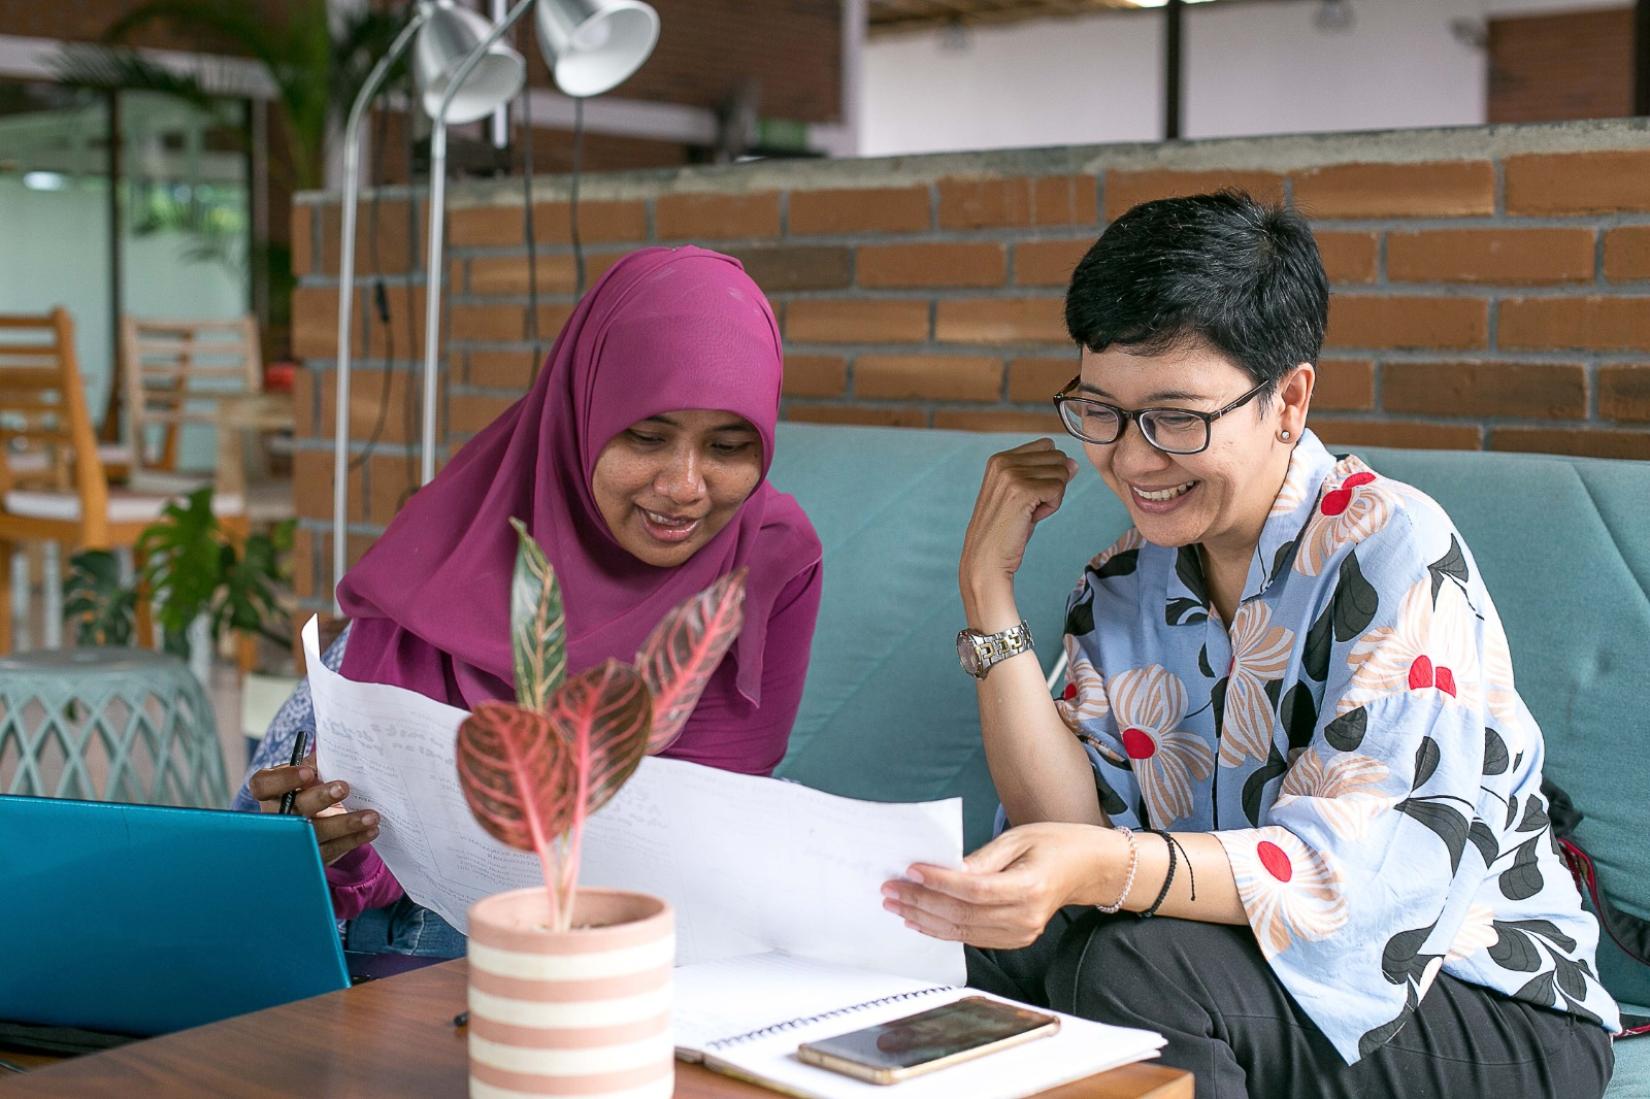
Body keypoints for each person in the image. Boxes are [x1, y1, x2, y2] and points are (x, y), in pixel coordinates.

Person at [880, 192, 1618, 1097]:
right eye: (1101, 411)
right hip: (1230, 970)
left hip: (1475, 1001)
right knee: (976, 952)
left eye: (1177, 418)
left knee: (1135, 969)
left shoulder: (1393, 551)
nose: (1135, 459)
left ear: (1288, 400)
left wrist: (1101, 871)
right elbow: (1070, 835)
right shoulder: (1122, 580)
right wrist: (986, 589)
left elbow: (1350, 885)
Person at [238, 246, 823, 957]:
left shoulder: (772, 553)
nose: (685, 486)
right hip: (402, 916)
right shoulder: (456, 541)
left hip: (614, 927)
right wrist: (324, 846)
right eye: (647, 436)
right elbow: (355, 849)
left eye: (729, 446)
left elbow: (712, 804)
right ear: (583, 411)